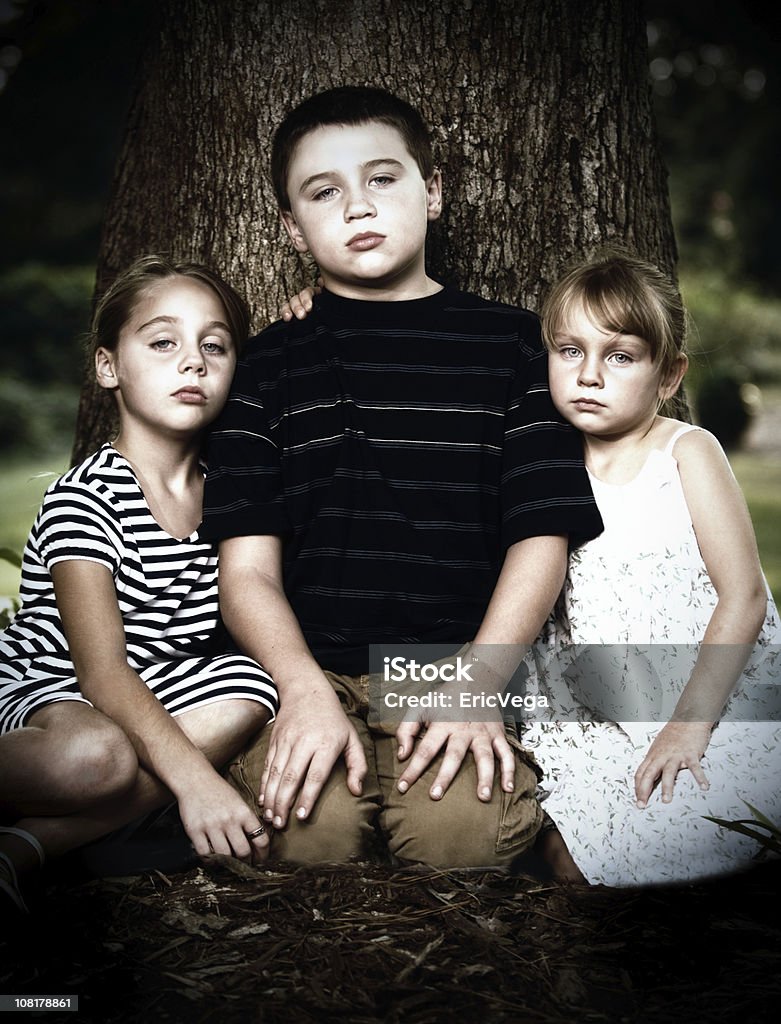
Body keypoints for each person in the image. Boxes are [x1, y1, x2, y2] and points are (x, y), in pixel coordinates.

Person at [201, 85, 603, 868]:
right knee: (305, 840)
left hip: (448, 666)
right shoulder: (266, 366)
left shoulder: (516, 347)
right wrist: (301, 691)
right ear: (291, 226)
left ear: (435, 190)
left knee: (466, 848)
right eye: (325, 192)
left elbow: (541, 536)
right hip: (310, 669)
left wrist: (479, 682)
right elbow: (244, 571)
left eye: (383, 179)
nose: (358, 207)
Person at [0, 256, 278, 914]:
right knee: (95, 759)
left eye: (215, 345)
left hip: (157, 683)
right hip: (57, 684)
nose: (193, 362)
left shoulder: (230, 497)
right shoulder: (84, 500)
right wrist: (196, 785)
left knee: (250, 689)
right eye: (162, 342)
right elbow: (99, 676)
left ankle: (23, 846)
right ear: (107, 367)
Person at [522, 249, 781, 886]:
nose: (589, 375)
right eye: (569, 350)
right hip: (594, 717)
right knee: (579, 856)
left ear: (669, 375)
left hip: (710, 698)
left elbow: (744, 596)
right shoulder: (545, 463)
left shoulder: (686, 453)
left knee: (712, 829)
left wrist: (687, 729)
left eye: (620, 356)